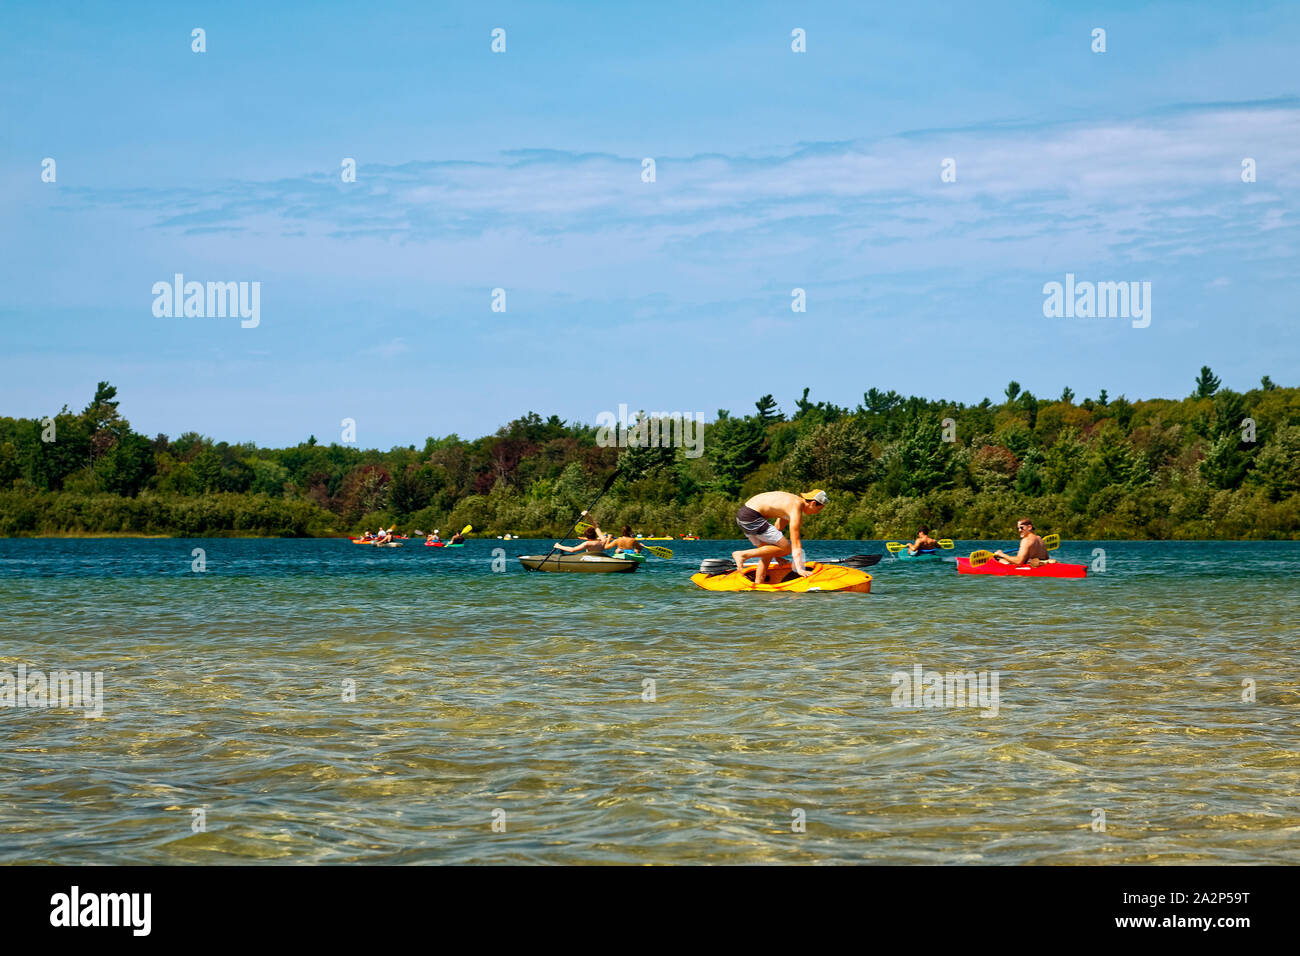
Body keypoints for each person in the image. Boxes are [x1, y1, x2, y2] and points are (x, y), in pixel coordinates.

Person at [732, 490, 828, 584]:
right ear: (813, 503)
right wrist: (799, 569)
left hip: (743, 516)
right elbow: (796, 541)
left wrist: (777, 554)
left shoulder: (791, 503)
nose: (817, 513)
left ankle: (758, 584)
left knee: (767, 553)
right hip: (752, 517)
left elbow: (777, 530)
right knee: (787, 549)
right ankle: (743, 555)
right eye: (819, 509)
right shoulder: (796, 507)